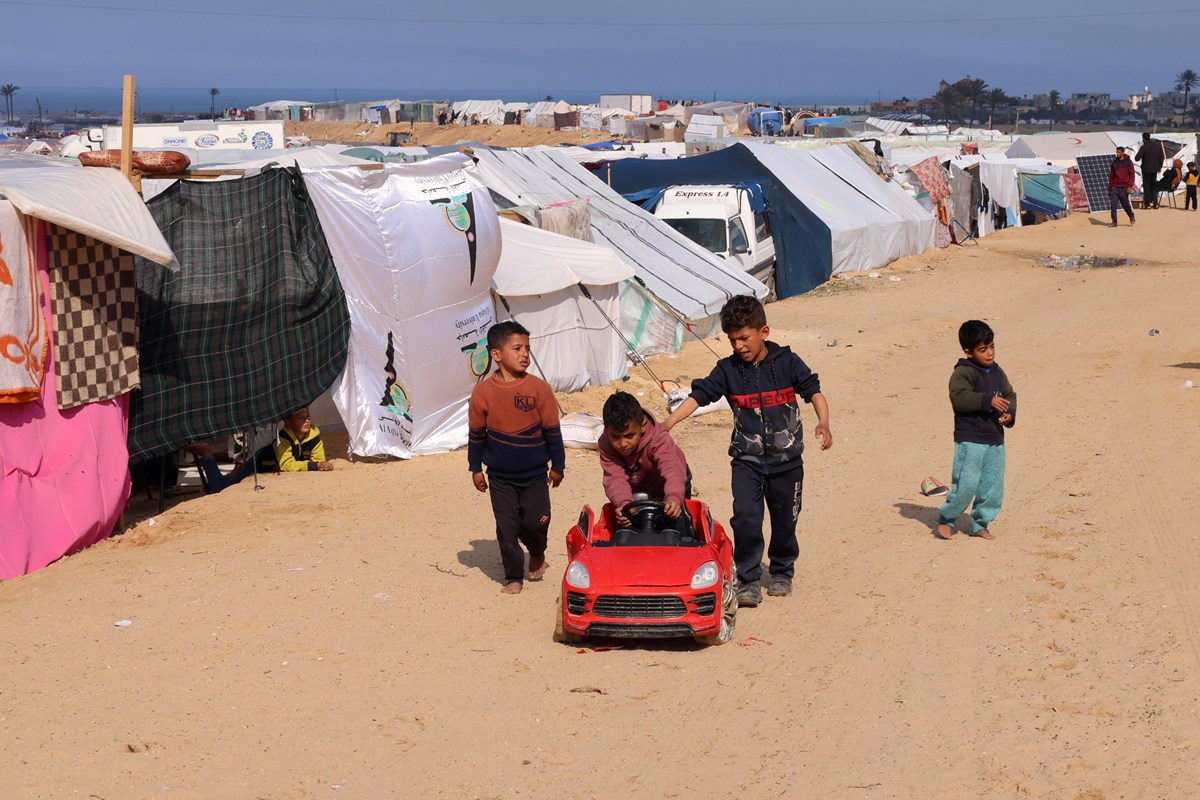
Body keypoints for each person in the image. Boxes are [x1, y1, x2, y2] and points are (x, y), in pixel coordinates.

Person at [664, 295, 832, 607]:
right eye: (732, 339)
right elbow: (699, 396)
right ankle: (749, 577)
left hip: (787, 462)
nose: (739, 345)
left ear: (763, 331)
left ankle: (782, 569)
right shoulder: (727, 371)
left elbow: (814, 392)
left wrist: (823, 422)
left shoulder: (787, 363)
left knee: (785, 520)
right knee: (745, 518)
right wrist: (670, 421)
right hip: (747, 462)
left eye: (744, 337)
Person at [468, 321, 565, 595]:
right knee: (507, 529)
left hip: (535, 474)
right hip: (500, 477)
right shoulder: (482, 393)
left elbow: (552, 432)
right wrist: (475, 468)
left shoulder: (539, 389)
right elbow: (476, 434)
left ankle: (537, 550)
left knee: (537, 521)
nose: (525, 354)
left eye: (527, 348)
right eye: (517, 348)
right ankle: (513, 575)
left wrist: (558, 466)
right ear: (496, 354)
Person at [935, 320, 1017, 541]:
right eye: (983, 349)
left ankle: (980, 523)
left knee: (992, 486)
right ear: (968, 351)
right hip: (971, 438)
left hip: (995, 439)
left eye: (991, 347)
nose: (989, 353)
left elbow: (1010, 396)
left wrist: (1010, 414)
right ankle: (947, 519)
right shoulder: (963, 372)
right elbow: (958, 397)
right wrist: (987, 401)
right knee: (966, 483)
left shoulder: (997, 372)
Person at [599, 390, 690, 531]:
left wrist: (673, 497)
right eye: (615, 437)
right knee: (632, 529)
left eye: (629, 436)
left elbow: (673, 470)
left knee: (676, 524)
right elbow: (614, 478)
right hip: (636, 490)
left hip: (669, 486)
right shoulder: (606, 444)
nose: (623, 444)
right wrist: (623, 503)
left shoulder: (659, 439)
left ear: (643, 426)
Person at [258, 407, 335, 473]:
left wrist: (318, 465)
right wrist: (314, 465)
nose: (307, 420)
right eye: (301, 418)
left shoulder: (315, 439)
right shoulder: (283, 438)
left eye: (308, 416)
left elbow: (319, 462)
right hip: (260, 463)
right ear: (288, 422)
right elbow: (287, 465)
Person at [1134, 132, 1165, 208]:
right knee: (1154, 186)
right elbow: (1162, 157)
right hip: (1155, 169)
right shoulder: (1157, 146)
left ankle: (1147, 204)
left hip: (1146, 170)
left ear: (1143, 138)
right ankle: (1155, 203)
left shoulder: (1144, 147)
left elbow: (1136, 158)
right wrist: (1159, 166)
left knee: (1146, 186)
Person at [1107, 147, 1136, 227]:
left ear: (1123, 152)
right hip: (1115, 187)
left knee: (1125, 204)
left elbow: (1132, 175)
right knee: (1113, 204)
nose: (1117, 154)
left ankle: (1131, 216)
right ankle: (1114, 222)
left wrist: (1130, 186)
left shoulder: (1128, 162)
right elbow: (1111, 176)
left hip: (1124, 187)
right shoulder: (1114, 163)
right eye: (1117, 152)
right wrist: (1109, 188)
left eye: (1119, 152)